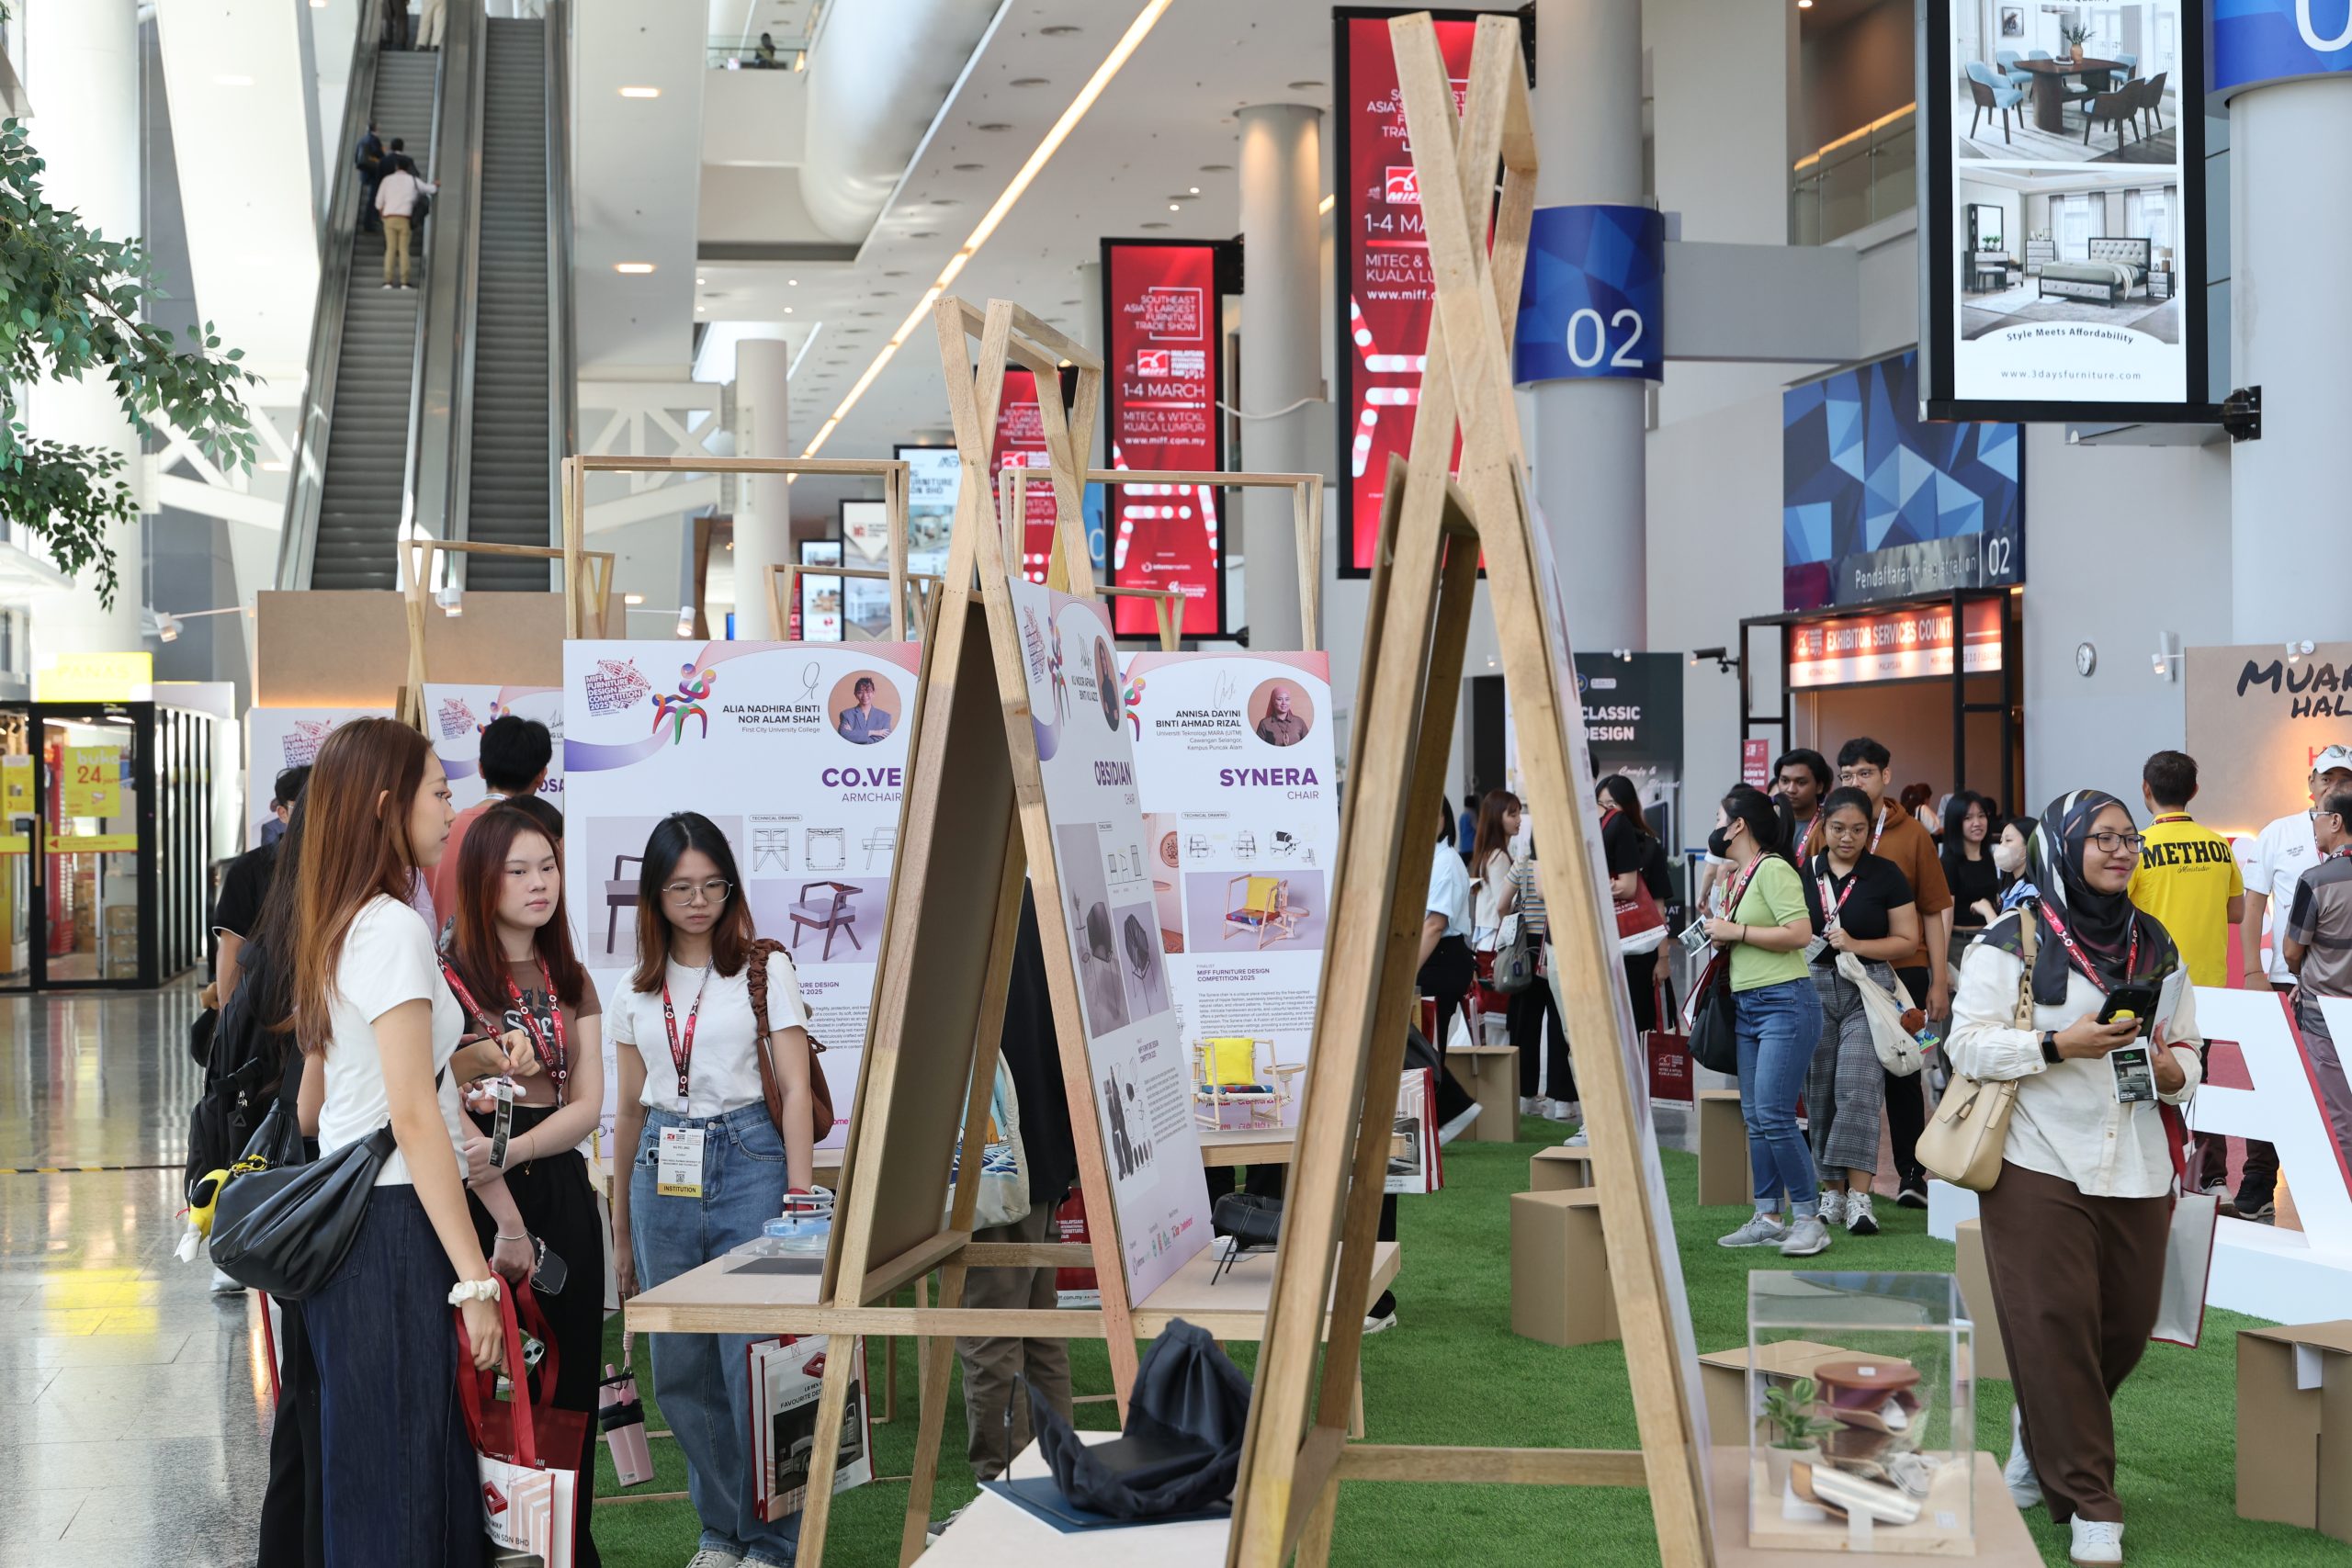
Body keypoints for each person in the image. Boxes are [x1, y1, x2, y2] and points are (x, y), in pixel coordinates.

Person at [1948, 790, 2201, 1567]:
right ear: (2062, 846)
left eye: (2129, 838)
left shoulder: (2157, 944)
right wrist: (2057, 1045)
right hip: (2037, 1157)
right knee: (2055, 1322)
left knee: (2122, 1327)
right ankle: (2093, 1504)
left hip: (2137, 1161)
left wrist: (2174, 1070)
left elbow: (2189, 1048)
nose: (2121, 850)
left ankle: (2038, 1429)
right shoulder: (2010, 940)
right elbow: (1965, 1045)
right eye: (2102, 837)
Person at [289, 717, 517, 1567]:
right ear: (389, 804)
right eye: (440, 791)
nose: (454, 809)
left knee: (382, 1473)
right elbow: (413, 1116)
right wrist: (475, 1280)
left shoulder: (345, 919)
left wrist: (466, 1056)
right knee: (405, 1476)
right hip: (390, 1226)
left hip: (355, 1227)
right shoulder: (390, 927)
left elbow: (340, 1095)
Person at [610, 812, 818, 1568]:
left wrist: (800, 1198)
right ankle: (723, 1530)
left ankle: (773, 1541)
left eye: (712, 885)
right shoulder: (634, 989)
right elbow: (628, 1111)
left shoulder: (764, 969)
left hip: (751, 1160)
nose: (698, 901)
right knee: (682, 1369)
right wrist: (621, 1230)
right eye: (680, 888)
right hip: (659, 1168)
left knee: (756, 1362)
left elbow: (795, 1087)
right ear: (654, 897)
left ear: (731, 887)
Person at [440, 805, 608, 1565]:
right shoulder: (448, 978)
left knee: (568, 1380)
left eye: (548, 867)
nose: (540, 883)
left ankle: (564, 1546)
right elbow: (438, 1095)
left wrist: (512, 1151)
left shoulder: (572, 976)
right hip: (475, 1205)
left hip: (558, 1189)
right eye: (518, 870)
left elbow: (589, 1105)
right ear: (483, 879)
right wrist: (501, 1196)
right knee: (477, 1382)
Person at [952, 886, 1078, 1486]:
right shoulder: (1037, 893)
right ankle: (1057, 1480)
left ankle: (1006, 1495)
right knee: (1034, 1327)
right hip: (1043, 1145)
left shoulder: (965, 898)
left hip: (999, 1158)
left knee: (996, 1334)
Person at [1809, 738, 1954, 1209]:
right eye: (1847, 774)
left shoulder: (1912, 835)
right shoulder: (1822, 835)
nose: (1857, 781)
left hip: (1902, 976)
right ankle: (1838, 1189)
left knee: (1906, 1070)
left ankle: (1912, 1176)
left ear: (1885, 776)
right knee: (1839, 1081)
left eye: (1865, 773)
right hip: (1835, 978)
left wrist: (1937, 980)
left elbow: (1933, 909)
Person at [1707, 784, 1830, 1258]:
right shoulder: (1737, 875)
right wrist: (1725, 933)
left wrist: (1735, 930)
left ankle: (1809, 1219)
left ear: (1739, 825)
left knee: (1774, 1115)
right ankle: (1768, 1217)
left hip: (1785, 1002)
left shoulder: (1773, 868)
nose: (1717, 828)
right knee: (1758, 1117)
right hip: (1750, 1004)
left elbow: (1799, 933)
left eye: (1721, 820)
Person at [2235, 743, 2352, 1219]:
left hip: (2335, 988)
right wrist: (2252, 971)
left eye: (2344, 778)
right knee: (2274, 1082)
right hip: (2284, 982)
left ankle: (2333, 1193)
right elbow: (2253, 908)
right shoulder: (2278, 832)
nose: (2334, 785)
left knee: (2338, 1095)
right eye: (2328, 777)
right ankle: (2259, 1182)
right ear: (2311, 783)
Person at [1800, 786, 1920, 1238]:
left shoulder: (1885, 874)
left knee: (1859, 1087)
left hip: (1867, 989)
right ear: (1822, 827)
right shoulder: (1804, 873)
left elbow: (1907, 940)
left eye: (1857, 829)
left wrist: (1856, 944)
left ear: (1870, 831)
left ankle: (1861, 1199)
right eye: (1838, 828)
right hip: (1812, 987)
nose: (1847, 837)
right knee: (1820, 1092)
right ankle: (1831, 1192)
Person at [2127, 750, 2244, 1198]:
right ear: (2194, 791)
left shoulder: (2136, 847)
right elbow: (2236, 911)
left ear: (2146, 789)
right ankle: (2214, 1178)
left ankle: (2164, 1175)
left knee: (2153, 1077)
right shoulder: (2218, 845)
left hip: (2155, 985)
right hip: (2209, 982)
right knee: (2200, 1077)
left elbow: (2121, 914)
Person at [2282, 784, 2352, 1172]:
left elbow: (2292, 951)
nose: (2315, 823)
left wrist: (2301, 976)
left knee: (2339, 1118)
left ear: (2336, 821)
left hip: (2325, 1019)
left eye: (2318, 815)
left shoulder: (2316, 880)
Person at [427, 716, 553, 930]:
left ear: (481, 768)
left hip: (438, 947)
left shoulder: (436, 830)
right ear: (542, 775)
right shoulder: (542, 836)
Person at [215, 766, 310, 1005]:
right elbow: (231, 948)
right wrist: (229, 1017)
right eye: (305, 807)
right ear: (283, 813)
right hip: (268, 1005)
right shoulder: (248, 870)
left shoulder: (347, 867)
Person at [1597, 773, 1673, 1036]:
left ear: (1628, 806)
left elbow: (1658, 908)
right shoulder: (1593, 848)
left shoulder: (1649, 847)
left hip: (1639, 953)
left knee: (1640, 1028)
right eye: (1602, 804)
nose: (1607, 810)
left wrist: (1663, 959)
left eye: (1613, 804)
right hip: (1603, 953)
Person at [1507, 840, 1572, 1122]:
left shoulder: (1523, 864)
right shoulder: (1566, 864)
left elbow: (1501, 903)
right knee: (1561, 1024)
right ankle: (1563, 1101)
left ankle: (1525, 1098)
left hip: (1526, 950)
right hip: (1560, 944)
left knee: (1525, 1025)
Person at [1940, 791, 2000, 950]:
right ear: (1955, 822)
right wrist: (1941, 960)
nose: (1977, 823)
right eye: (1968, 818)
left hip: (1989, 940)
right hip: (1961, 943)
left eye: (1981, 816)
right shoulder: (1949, 862)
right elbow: (1946, 916)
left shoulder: (1988, 857)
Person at [375, 144, 436, 290]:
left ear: (396, 167)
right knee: (403, 250)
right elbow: (429, 189)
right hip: (405, 218)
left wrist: (382, 214)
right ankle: (404, 282)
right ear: (408, 167)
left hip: (389, 218)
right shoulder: (413, 180)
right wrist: (435, 185)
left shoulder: (387, 180)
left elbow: (378, 203)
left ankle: (388, 281)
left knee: (390, 249)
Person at [1468, 789, 1522, 954]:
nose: (1519, 820)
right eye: (1513, 815)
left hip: (1486, 939)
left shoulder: (1488, 853)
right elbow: (1502, 906)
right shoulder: (1499, 857)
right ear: (1497, 818)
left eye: (1519, 814)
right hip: (1497, 941)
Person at [1773, 748, 1833, 847]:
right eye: (1785, 781)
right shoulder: (1768, 820)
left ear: (1819, 787)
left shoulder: (1831, 825)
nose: (1791, 789)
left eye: (1801, 782)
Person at [1994, 816, 2038, 910]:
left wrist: (1987, 910)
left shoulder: (2033, 892)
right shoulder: (2008, 888)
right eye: (2001, 841)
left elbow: (2021, 920)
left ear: (2029, 845)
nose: (2001, 846)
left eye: (2008, 840)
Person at [836, 675, 893, 744]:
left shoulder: (885, 717)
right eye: (860, 692)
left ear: (873, 693)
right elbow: (843, 735)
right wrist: (871, 732)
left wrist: (854, 734)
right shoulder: (846, 714)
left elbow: (883, 740)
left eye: (868, 691)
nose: (864, 696)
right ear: (855, 695)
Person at [354, 121, 385, 234]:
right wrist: (383, 154)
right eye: (378, 127)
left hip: (366, 173)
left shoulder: (362, 140)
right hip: (374, 173)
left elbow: (356, 157)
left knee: (373, 197)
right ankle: (369, 223)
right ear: (375, 129)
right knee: (373, 199)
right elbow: (378, 153)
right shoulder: (374, 139)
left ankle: (374, 219)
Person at [1255, 683, 1308, 747]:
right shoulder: (1264, 724)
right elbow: (1259, 748)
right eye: (1279, 699)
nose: (1284, 703)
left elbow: (1308, 746)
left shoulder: (1299, 722)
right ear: (1273, 701)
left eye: (1287, 699)